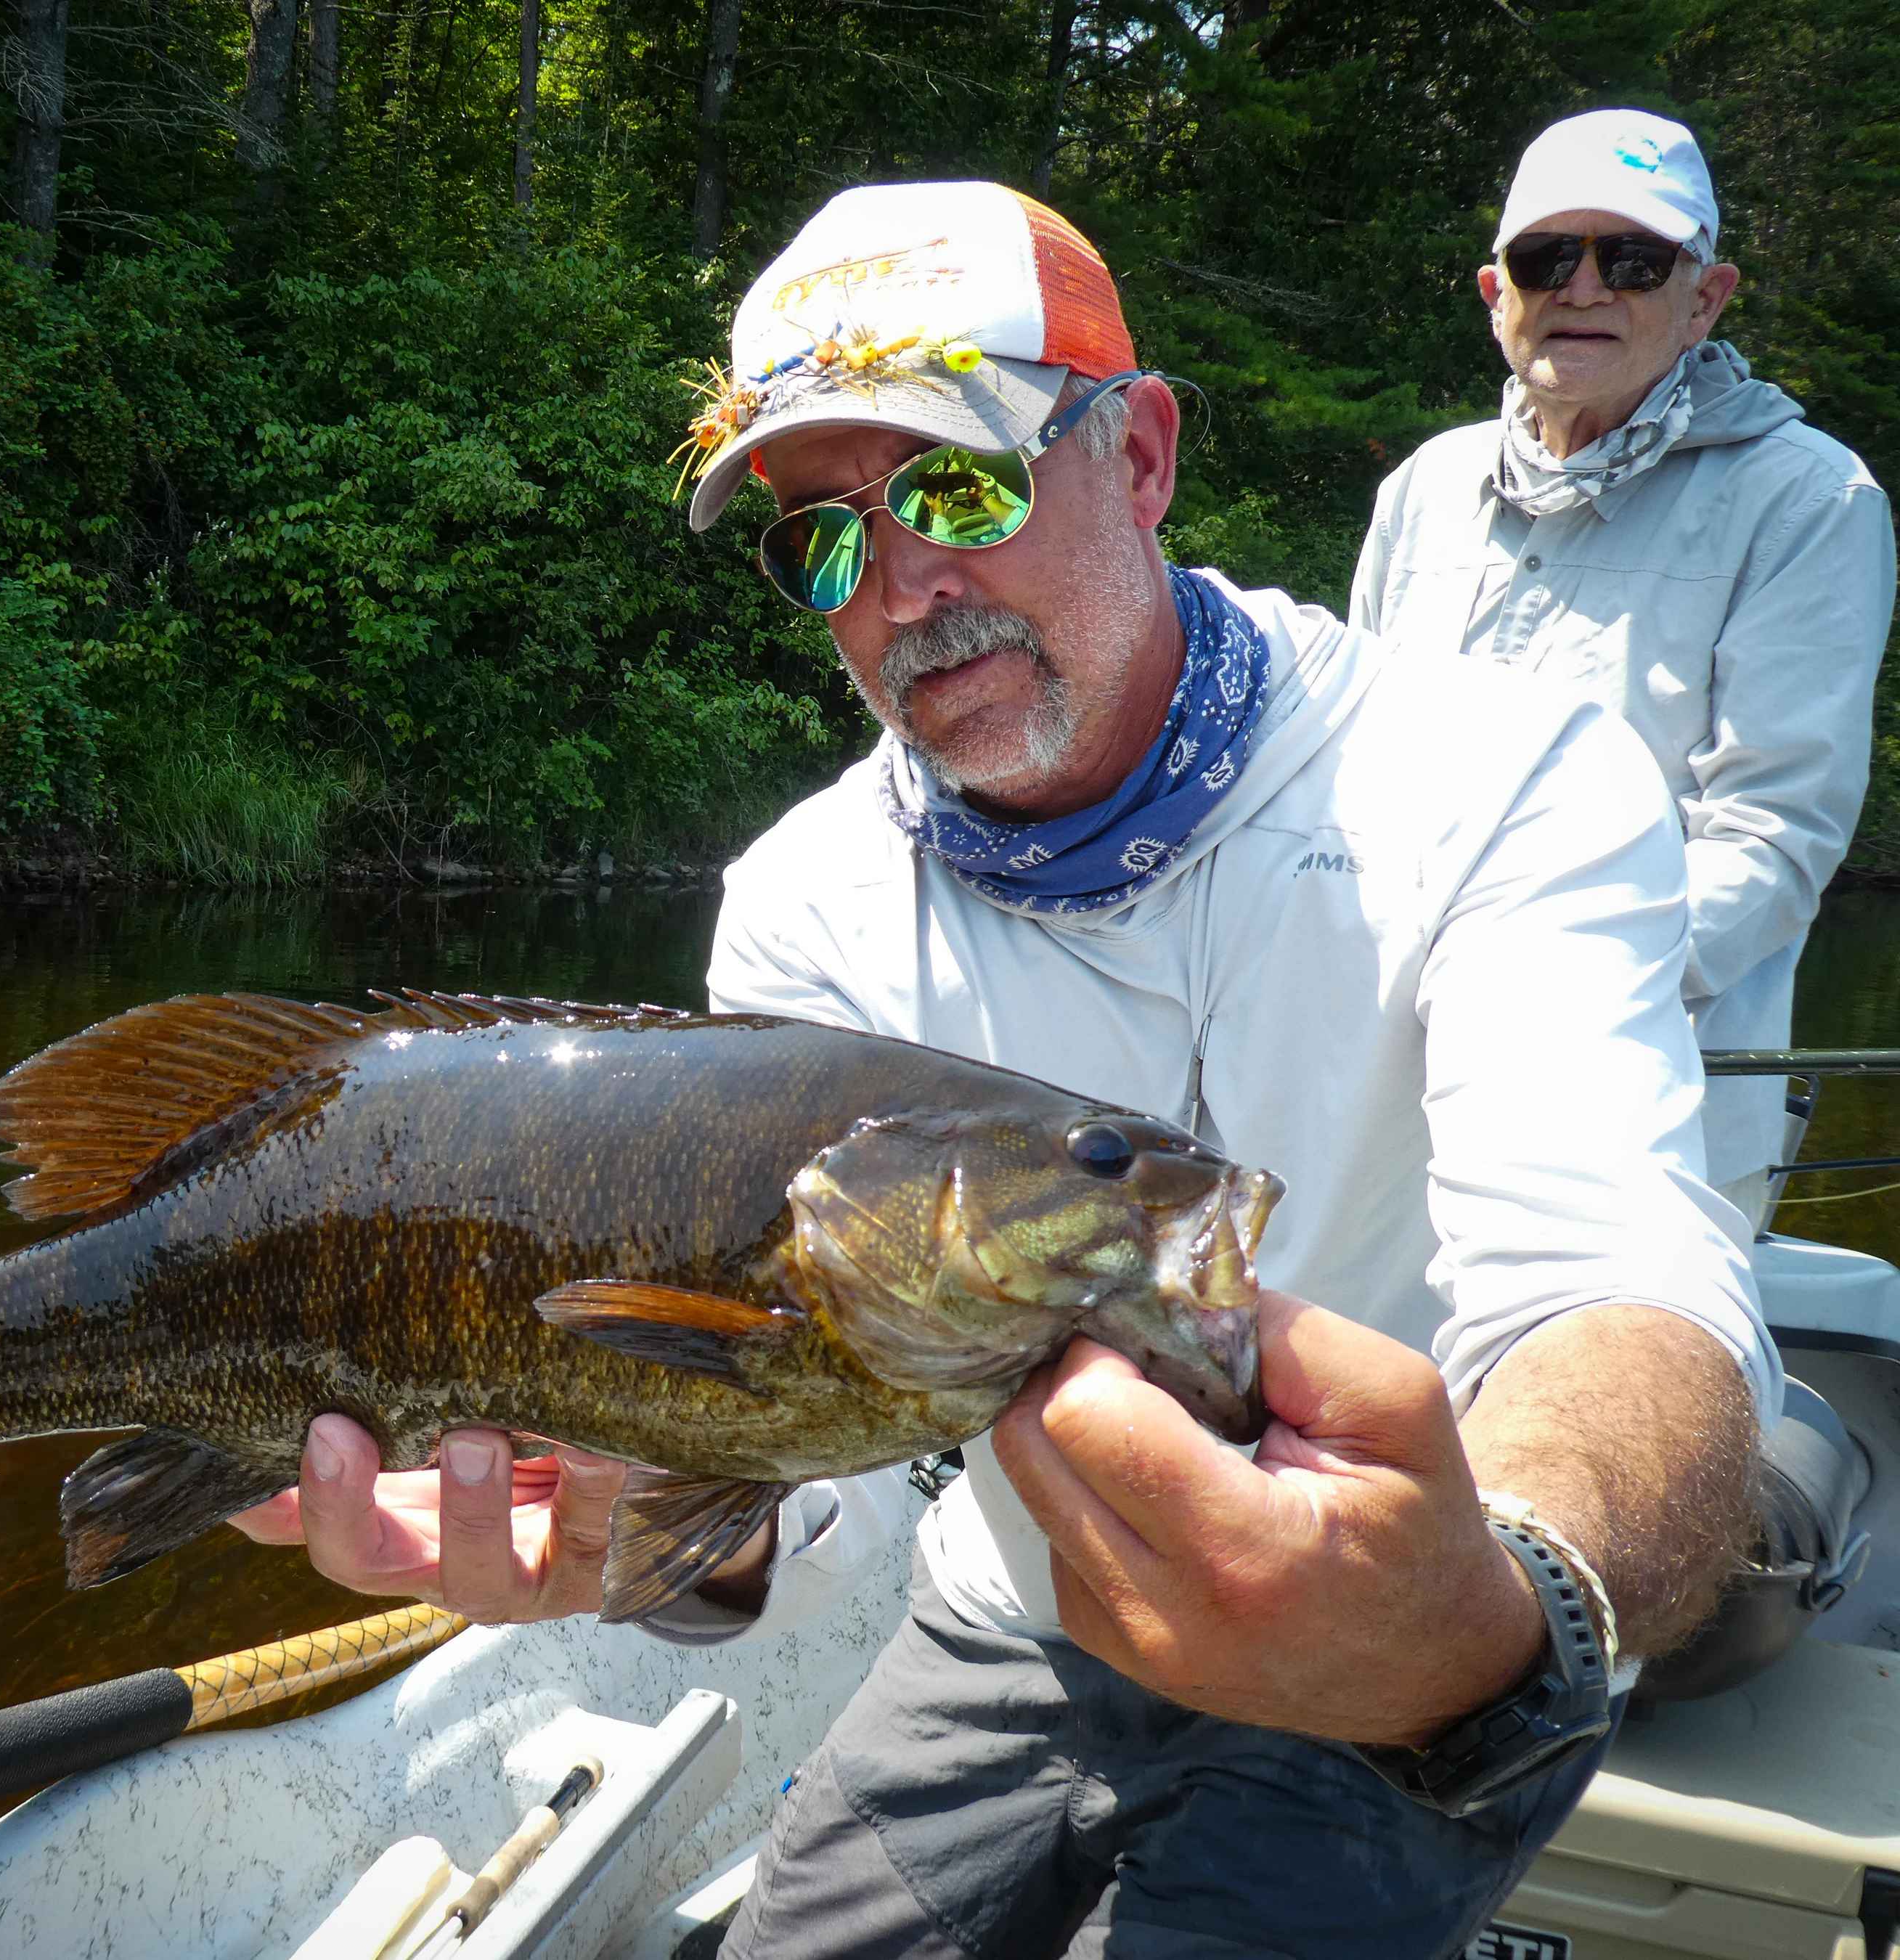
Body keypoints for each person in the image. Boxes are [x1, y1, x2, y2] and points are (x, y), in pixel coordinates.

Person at [232, 180, 1774, 1956]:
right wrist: (670, 1540)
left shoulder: (1501, 778)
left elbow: (1616, 1274)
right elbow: (792, 1462)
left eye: (958, 486)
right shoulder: (807, 903)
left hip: (1402, 1631)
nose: (900, 590)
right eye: (822, 542)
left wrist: (1515, 1610)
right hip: (1007, 1611)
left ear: (1140, 454)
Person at [1352, 109, 1896, 1224]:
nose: (1585, 287)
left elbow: (1772, 836)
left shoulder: (1811, 499)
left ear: (1707, 296)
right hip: (1387, 1092)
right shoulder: (1423, 487)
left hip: (1647, 1115)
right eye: (1548, 257)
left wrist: (1547, 985)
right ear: (1496, 293)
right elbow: (1342, 780)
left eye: (1634, 259)